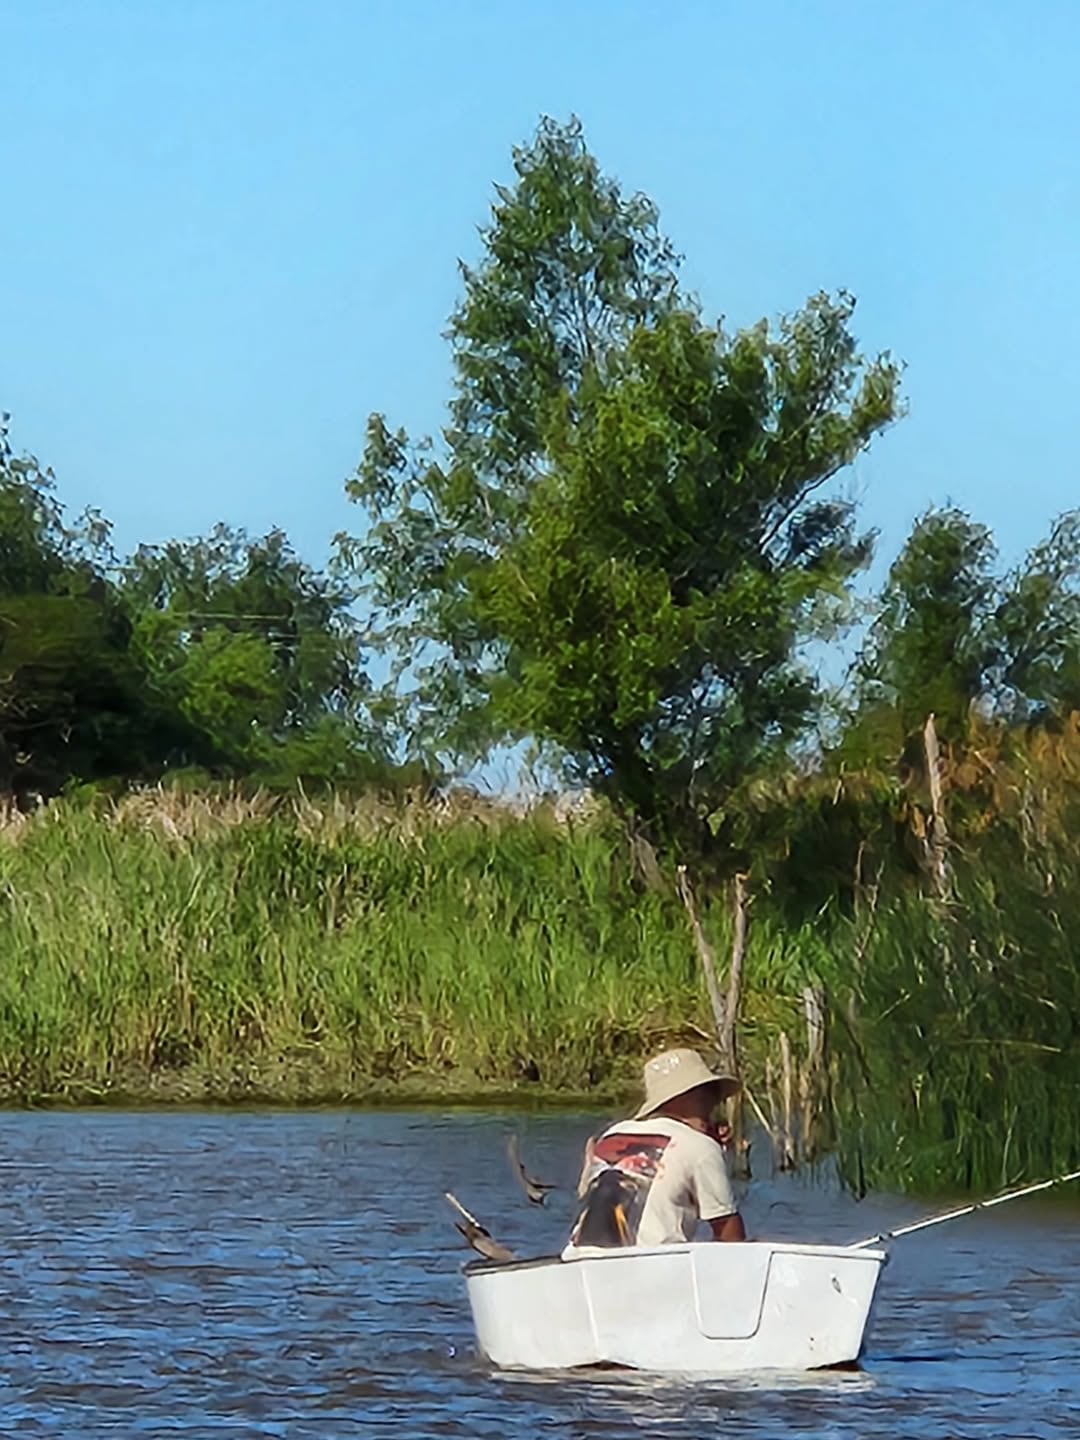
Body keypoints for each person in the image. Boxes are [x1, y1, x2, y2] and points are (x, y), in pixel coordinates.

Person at [565, 1047, 747, 1252]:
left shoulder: (613, 1133)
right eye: (708, 1092)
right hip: (650, 1270)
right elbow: (731, 1239)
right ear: (684, 1097)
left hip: (578, 1263)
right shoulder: (701, 1147)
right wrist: (712, 1151)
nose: (715, 1102)